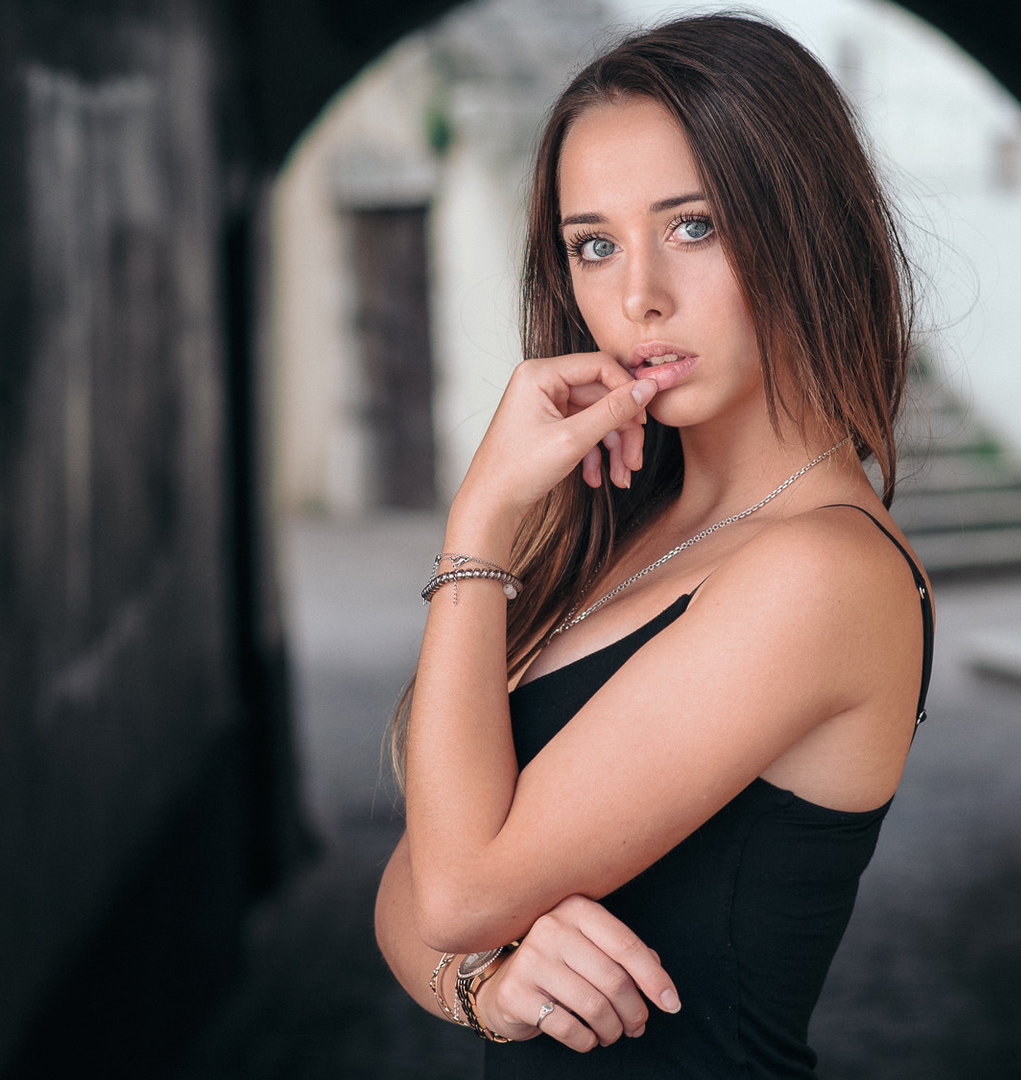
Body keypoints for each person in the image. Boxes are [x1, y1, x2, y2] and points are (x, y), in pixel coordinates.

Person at [373, 14, 933, 1077]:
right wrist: (485, 988)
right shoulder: (612, 528)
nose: (638, 298)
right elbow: (411, 883)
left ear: (805, 226)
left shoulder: (826, 570)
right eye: (595, 244)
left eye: (694, 227)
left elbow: (454, 892)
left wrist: (476, 527)